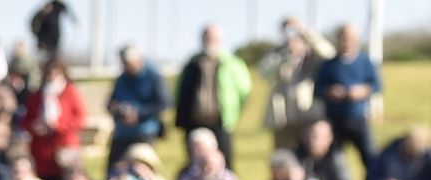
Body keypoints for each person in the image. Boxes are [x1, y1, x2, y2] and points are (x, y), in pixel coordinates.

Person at [174, 24, 251, 168]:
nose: (210, 41)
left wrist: (233, 112)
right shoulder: (192, 63)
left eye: (214, 38)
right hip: (195, 121)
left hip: (220, 121)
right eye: (207, 37)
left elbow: (244, 91)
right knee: (194, 163)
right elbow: (179, 91)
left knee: (224, 161)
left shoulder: (231, 63)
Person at [316, 21, 381, 175]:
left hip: (358, 118)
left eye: (350, 38)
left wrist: (361, 91)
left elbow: (376, 85)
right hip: (334, 120)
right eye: (343, 38)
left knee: (370, 158)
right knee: (332, 161)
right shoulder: (329, 64)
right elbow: (317, 90)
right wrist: (330, 92)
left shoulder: (365, 61)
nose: (346, 41)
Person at [262, 18, 333, 149]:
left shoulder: (312, 53)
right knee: (282, 153)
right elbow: (264, 71)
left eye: (295, 30)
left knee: (307, 151)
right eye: (288, 30)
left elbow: (330, 55)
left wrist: (308, 35)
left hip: (306, 112)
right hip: (283, 116)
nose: (292, 34)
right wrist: (286, 54)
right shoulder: (278, 52)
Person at [24, 58, 89, 180]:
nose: (51, 76)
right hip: (42, 150)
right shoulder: (36, 96)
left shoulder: (70, 92)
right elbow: (26, 119)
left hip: (65, 147)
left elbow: (80, 118)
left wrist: (58, 126)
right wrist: (34, 127)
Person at [106, 44, 169, 168]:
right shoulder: (121, 79)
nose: (125, 66)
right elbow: (112, 101)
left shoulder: (153, 76)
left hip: (144, 133)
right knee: (115, 170)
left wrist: (138, 114)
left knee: (141, 170)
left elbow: (163, 104)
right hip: (121, 133)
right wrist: (115, 108)